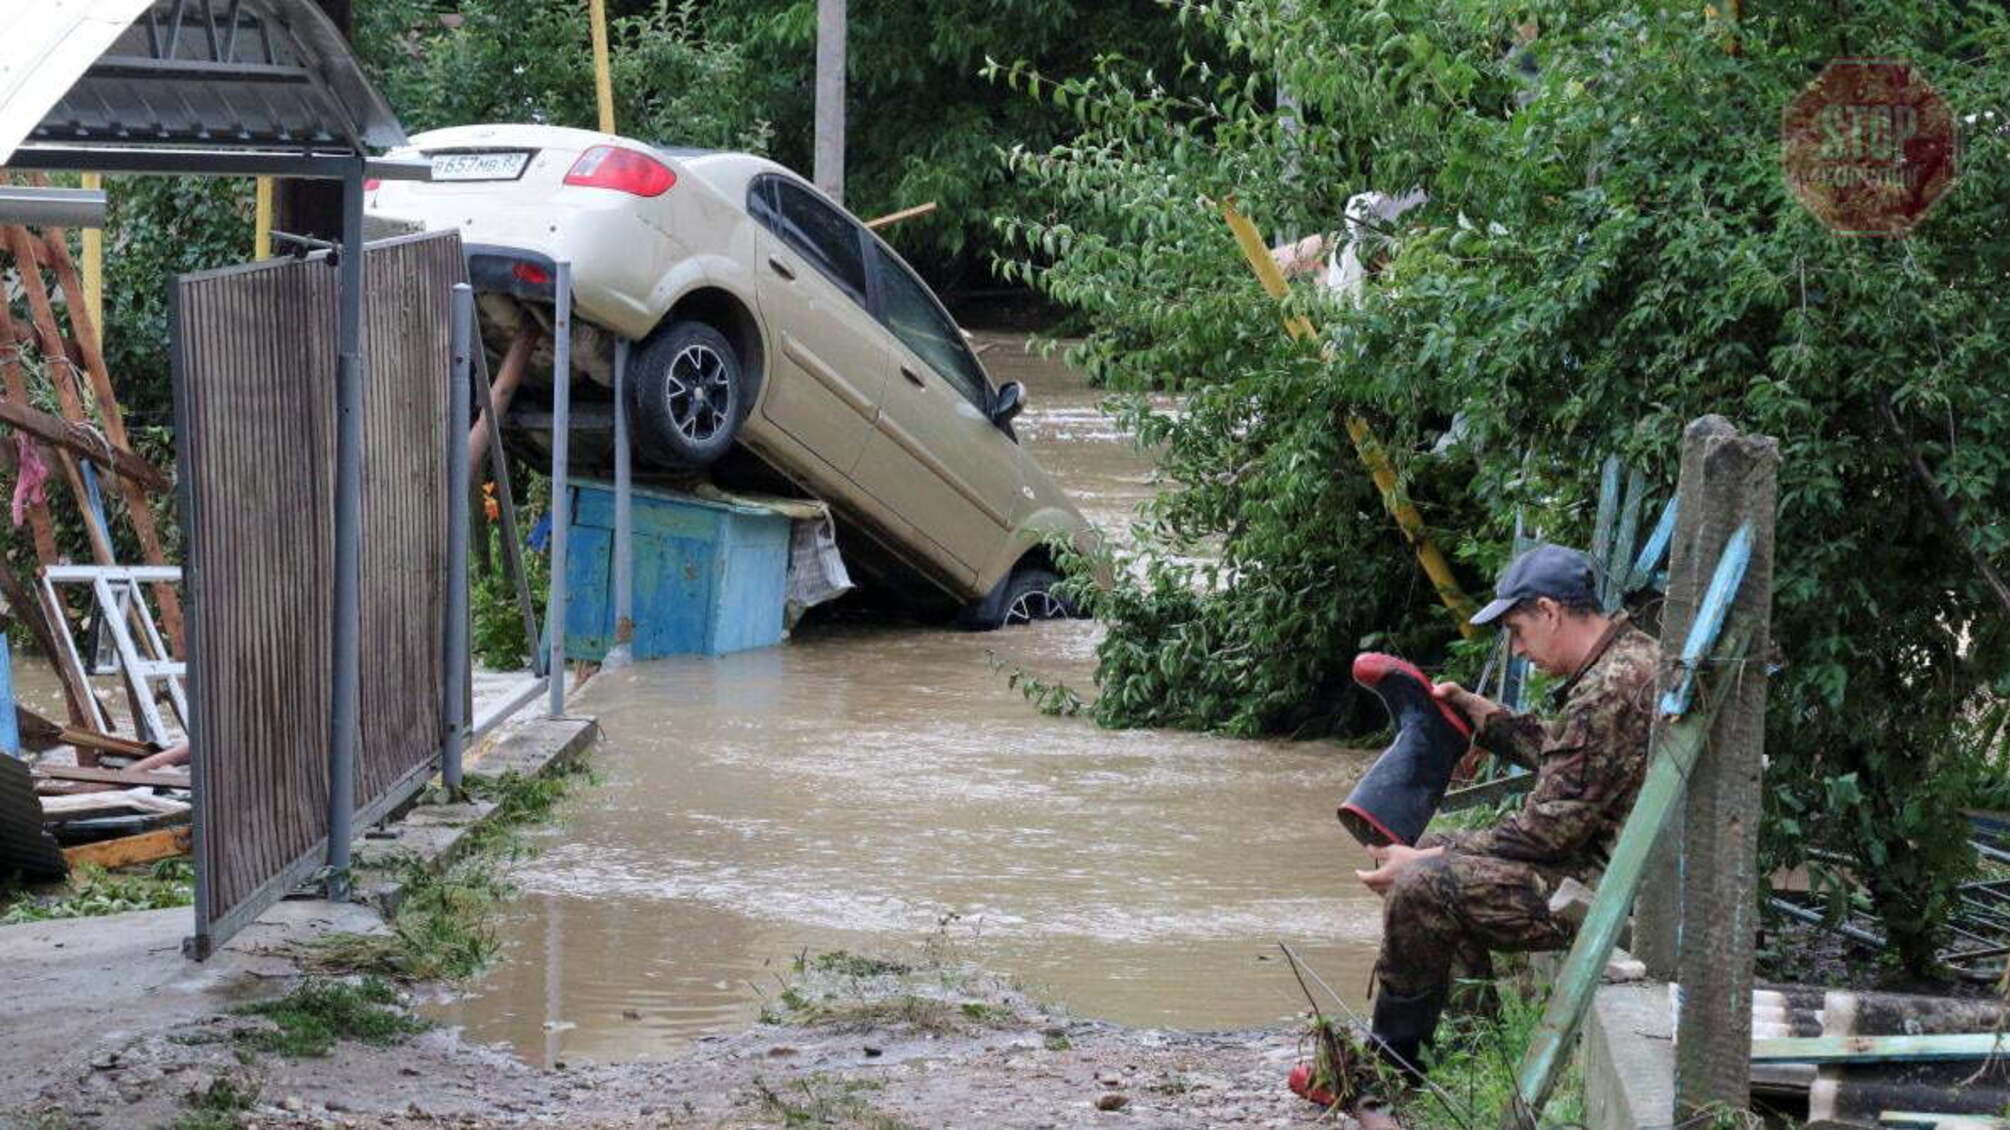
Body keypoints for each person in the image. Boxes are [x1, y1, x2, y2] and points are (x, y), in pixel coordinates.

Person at [1350, 544, 1660, 1079]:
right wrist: (1483, 717)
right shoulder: (1628, 658)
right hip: (1616, 867)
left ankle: (1389, 1074)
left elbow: (1545, 833)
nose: (1516, 649)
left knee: (1424, 882)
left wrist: (1428, 859)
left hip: (1612, 893)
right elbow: (1573, 761)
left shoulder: (1607, 689)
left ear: (1549, 611)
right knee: (1429, 865)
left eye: (1518, 630)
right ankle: (1467, 1055)